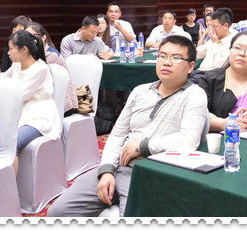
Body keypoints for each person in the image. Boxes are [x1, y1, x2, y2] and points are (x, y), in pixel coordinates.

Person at [47, 35, 208, 217]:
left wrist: (143, 146)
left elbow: (188, 141)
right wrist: (106, 170)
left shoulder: (195, 95)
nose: (166, 62)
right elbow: (117, 135)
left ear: (191, 66)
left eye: (176, 58)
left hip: (150, 175)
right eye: (162, 56)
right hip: (118, 167)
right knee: (57, 213)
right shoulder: (140, 91)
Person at [3, 30, 61, 173]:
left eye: (11, 49)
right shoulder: (16, 65)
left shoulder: (41, 69)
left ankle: (10, 185)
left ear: (24, 50)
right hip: (19, 113)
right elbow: (3, 80)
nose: (8, 53)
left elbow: (20, 95)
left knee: (12, 143)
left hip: (38, 117)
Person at [26, 22, 78, 116]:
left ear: (43, 37)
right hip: (47, 98)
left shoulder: (51, 55)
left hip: (63, 104)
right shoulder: (33, 54)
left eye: (32, 36)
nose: (28, 40)